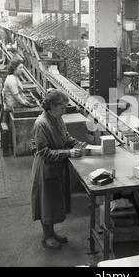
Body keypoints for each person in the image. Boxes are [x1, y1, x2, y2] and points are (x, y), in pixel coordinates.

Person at [31, 90, 87, 250]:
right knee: (46, 203)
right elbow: (44, 152)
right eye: (63, 107)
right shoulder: (41, 124)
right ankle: (46, 236)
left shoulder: (58, 119)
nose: (65, 110)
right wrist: (68, 153)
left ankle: (52, 232)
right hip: (45, 169)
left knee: (54, 202)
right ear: (53, 106)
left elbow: (66, 137)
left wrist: (78, 144)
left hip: (57, 167)